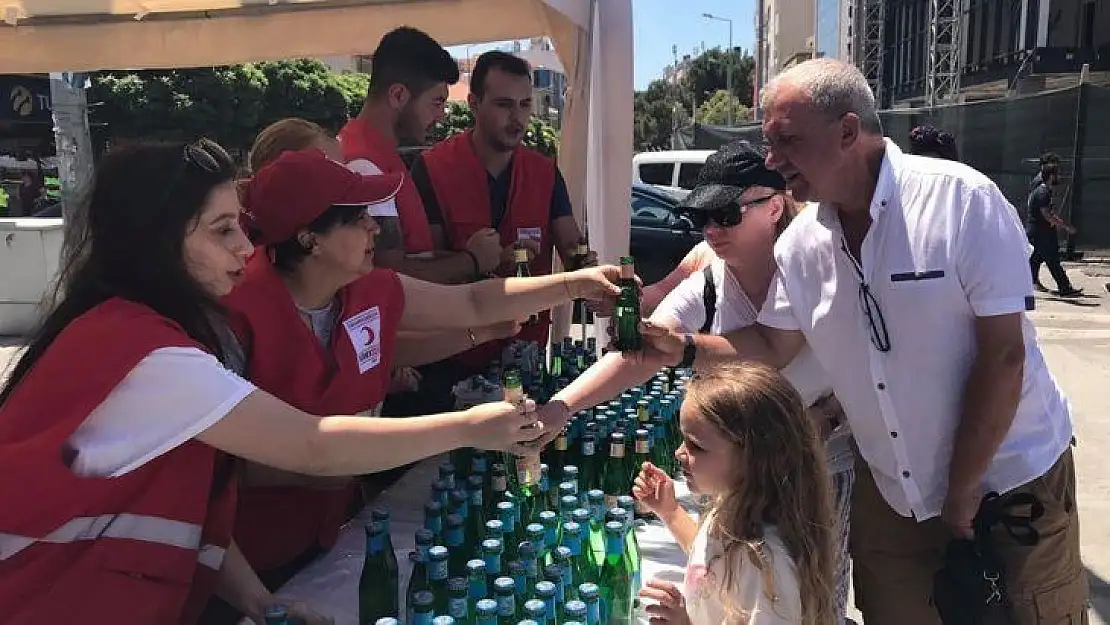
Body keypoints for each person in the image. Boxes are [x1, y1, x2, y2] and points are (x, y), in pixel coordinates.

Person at [0, 139, 607, 625]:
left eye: (240, 226)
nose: (245, 246)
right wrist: (473, 428)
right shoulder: (151, 352)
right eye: (221, 232)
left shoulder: (134, 331)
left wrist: (256, 601)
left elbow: (194, 492)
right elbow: (311, 443)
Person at [639, 58, 1085, 625]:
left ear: (848, 132)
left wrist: (964, 485)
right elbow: (772, 345)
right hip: (894, 489)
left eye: (787, 141)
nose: (772, 161)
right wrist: (683, 348)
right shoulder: (801, 245)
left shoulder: (959, 201)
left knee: (1031, 613)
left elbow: (1004, 354)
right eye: (768, 143)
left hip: (1009, 480)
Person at [540, 141, 856, 622]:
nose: (711, 229)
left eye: (726, 213)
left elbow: (780, 351)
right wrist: (560, 408)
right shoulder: (710, 280)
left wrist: (832, 413)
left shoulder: (813, 262)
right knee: (722, 581)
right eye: (702, 216)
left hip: (816, 465)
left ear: (774, 207)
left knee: (811, 601)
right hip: (735, 468)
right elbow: (642, 353)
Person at [405, 50, 596, 410]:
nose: (517, 118)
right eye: (504, 105)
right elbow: (420, 273)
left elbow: (572, 245)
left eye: (525, 105)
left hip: (526, 359)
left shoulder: (544, 172)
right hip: (452, 360)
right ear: (474, 104)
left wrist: (590, 271)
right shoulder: (432, 169)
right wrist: (472, 261)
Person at [633, 362, 836, 625]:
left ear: (752, 458)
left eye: (697, 446)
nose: (679, 453)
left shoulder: (766, 567)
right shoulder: (733, 505)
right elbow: (709, 558)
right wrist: (670, 512)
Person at [339, 26, 503, 284]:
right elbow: (388, 277)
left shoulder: (374, 153)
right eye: (437, 102)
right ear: (398, 95)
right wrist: (471, 261)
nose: (441, 115)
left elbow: (412, 257)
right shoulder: (364, 167)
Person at [1027, 152, 1081, 296]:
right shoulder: (1041, 187)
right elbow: (1044, 211)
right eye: (1056, 167)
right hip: (1041, 229)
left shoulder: (1043, 187)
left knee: (1038, 256)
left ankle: (1030, 281)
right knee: (1051, 259)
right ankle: (1064, 287)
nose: (1059, 173)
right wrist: (1062, 225)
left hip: (1041, 228)